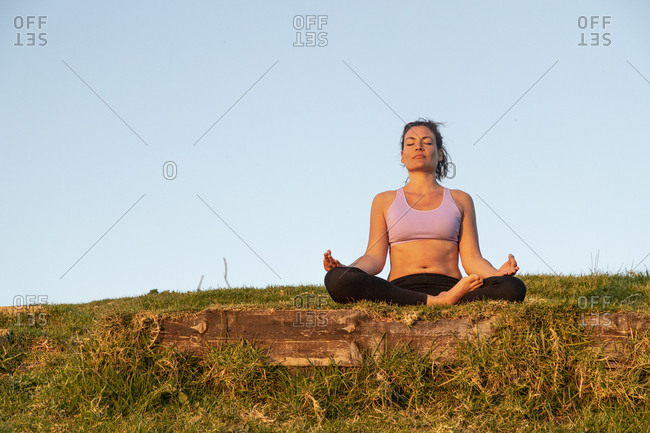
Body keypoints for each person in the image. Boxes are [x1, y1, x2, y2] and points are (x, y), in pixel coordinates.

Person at [323, 119, 526, 306]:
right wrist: (348, 269)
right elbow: (375, 258)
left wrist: (496, 274)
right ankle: (437, 302)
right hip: (399, 289)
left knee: (513, 288)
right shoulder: (384, 200)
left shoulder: (460, 199)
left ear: (440, 155)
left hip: (453, 286)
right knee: (337, 281)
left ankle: (445, 297)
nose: (418, 147)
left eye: (427, 142)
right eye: (410, 143)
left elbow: (472, 258)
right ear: (402, 156)